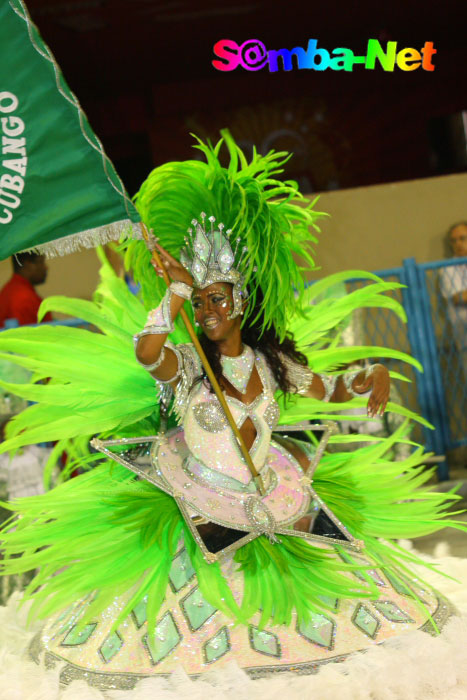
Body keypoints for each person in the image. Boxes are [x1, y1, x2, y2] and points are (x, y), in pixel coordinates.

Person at [0, 134, 464, 691]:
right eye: (200, 304)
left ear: (240, 302)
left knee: (318, 640)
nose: (208, 311)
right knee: (208, 662)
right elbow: (147, 352)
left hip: (274, 500)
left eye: (216, 300)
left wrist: (373, 376)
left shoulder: (272, 364)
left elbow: (333, 389)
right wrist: (174, 294)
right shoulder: (191, 368)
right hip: (198, 513)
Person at [0, 251, 52, 327]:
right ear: (28, 264)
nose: (46, 267)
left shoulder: (10, 290)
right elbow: (31, 336)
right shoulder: (24, 298)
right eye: (41, 262)